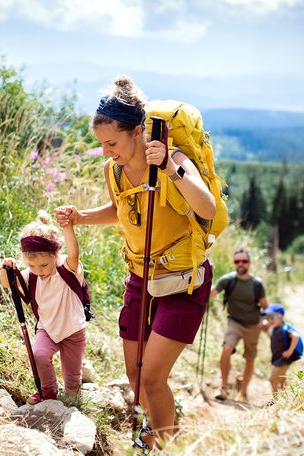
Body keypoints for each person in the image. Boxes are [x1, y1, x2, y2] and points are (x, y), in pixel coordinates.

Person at [54, 75, 216, 449]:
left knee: (153, 377)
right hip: (140, 278)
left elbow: (206, 206)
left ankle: (164, 445)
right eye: (102, 144)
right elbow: (120, 209)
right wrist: (80, 217)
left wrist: (173, 171)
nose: (107, 151)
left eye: (112, 142)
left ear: (138, 131)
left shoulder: (173, 160)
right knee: (134, 374)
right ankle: (151, 436)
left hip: (182, 280)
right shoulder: (114, 169)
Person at [1, 211, 87, 405]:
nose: (39, 270)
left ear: (55, 254)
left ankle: (73, 400)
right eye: (32, 265)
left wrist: (68, 228)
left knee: (72, 375)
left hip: (73, 331)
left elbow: (74, 253)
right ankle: (48, 391)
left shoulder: (66, 268)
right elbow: (8, 284)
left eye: (44, 265)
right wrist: (5, 269)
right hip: (47, 328)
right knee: (39, 354)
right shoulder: (31, 275)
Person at [209, 247, 268, 401]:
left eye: (244, 261)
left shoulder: (257, 284)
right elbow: (211, 293)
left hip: (253, 325)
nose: (240, 264)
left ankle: (243, 391)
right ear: (234, 263)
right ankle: (224, 387)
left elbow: (266, 307)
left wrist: (266, 322)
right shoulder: (228, 280)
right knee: (226, 349)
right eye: (237, 261)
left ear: (249, 263)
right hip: (234, 322)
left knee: (250, 359)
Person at [259, 303, 303, 396]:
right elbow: (271, 335)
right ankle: (288, 396)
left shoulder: (284, 328)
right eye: (268, 318)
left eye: (272, 318)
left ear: (281, 317)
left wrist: (290, 351)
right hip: (279, 358)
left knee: (273, 379)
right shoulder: (274, 329)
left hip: (285, 359)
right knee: (282, 379)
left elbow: (295, 336)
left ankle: (276, 399)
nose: (270, 320)